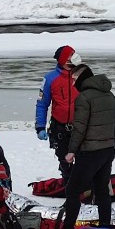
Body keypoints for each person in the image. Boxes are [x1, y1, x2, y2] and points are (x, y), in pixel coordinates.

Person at [60, 64, 115, 229]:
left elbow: (79, 128)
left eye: (75, 78)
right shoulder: (109, 95)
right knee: (101, 190)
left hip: (90, 151)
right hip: (108, 149)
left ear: (84, 77)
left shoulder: (84, 97)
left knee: (72, 190)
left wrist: (71, 151)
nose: (72, 82)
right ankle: (105, 226)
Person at [35, 45, 82, 184]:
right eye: (70, 55)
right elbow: (42, 104)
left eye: (74, 53)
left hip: (81, 127)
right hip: (60, 128)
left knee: (84, 162)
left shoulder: (82, 75)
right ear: (63, 60)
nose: (74, 56)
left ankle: (85, 190)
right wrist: (40, 127)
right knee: (65, 162)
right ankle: (69, 191)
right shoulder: (50, 78)